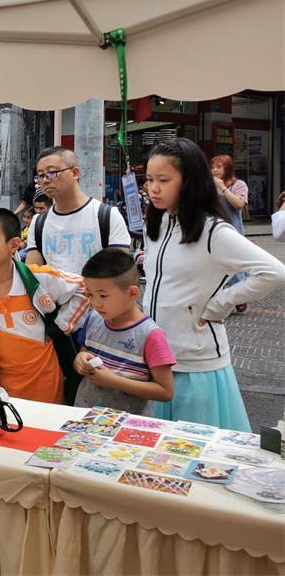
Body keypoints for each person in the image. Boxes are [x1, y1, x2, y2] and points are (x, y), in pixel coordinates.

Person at [142, 138, 285, 430]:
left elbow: (274, 272)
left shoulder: (213, 232)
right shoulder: (157, 225)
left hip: (196, 365)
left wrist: (220, 304)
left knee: (196, 451)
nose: (153, 188)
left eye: (163, 180)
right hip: (157, 360)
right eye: (149, 179)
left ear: (190, 181)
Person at [0, 208, 90, 405]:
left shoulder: (38, 278)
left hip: (46, 384)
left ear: (14, 245)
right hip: (3, 389)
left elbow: (84, 287)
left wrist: (62, 325)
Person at [73, 248, 175, 415]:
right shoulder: (93, 319)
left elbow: (165, 391)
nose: (96, 303)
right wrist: (80, 360)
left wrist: (114, 381)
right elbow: (83, 353)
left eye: (103, 296)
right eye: (90, 294)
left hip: (128, 423)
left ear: (132, 293)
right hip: (86, 417)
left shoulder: (150, 335)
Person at [25, 147, 130, 275]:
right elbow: (32, 276)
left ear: (75, 173)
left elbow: (120, 274)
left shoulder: (108, 216)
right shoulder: (38, 223)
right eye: (40, 175)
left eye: (52, 172)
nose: (45, 180)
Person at [210, 154, 250, 312]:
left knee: (235, 267)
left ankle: (241, 296)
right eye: (212, 167)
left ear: (227, 168)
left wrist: (223, 188)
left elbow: (239, 204)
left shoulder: (239, 185)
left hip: (233, 233)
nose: (214, 170)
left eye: (218, 167)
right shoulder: (208, 186)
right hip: (212, 233)